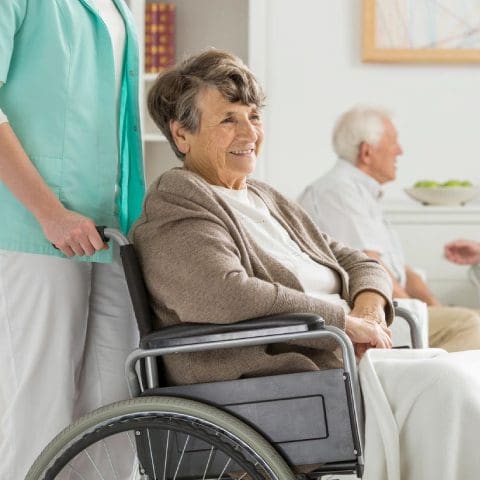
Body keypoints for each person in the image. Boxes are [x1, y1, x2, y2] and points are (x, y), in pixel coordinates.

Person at [132, 51, 480, 480]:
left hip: (343, 359)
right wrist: (344, 323)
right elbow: (222, 294)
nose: (249, 133)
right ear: (182, 134)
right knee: (447, 386)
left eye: (254, 116)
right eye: (228, 120)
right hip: (283, 376)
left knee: (470, 373)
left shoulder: (263, 196)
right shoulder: (178, 197)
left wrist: (368, 313)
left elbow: (354, 260)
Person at [0, 1, 145, 478]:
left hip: (111, 230)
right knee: (41, 411)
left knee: (112, 410)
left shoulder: (119, 5)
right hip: (35, 231)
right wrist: (49, 212)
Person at [298, 106, 480, 352]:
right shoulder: (337, 192)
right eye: (393, 142)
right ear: (366, 151)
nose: (400, 151)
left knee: (465, 318)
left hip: (391, 307)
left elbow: (402, 271)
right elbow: (371, 267)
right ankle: (429, 384)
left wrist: (434, 308)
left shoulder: (360, 192)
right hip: (372, 316)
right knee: (470, 324)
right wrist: (416, 315)